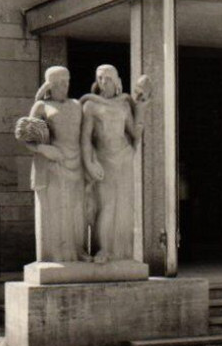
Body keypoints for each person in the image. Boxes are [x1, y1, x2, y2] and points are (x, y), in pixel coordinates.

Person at [16, 66, 88, 263]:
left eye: (67, 82)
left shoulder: (76, 105)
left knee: (76, 210)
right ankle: (57, 254)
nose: (64, 86)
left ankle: (77, 250)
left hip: (76, 162)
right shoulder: (41, 106)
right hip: (53, 164)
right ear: (51, 85)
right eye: (59, 83)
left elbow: (86, 135)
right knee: (57, 209)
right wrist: (43, 149)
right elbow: (25, 134)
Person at [80, 65, 149, 263]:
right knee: (106, 205)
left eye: (108, 78)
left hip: (124, 157)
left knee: (124, 206)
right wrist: (89, 163)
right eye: (100, 78)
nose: (104, 82)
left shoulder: (124, 105)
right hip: (103, 159)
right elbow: (85, 139)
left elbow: (134, 133)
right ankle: (103, 249)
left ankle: (122, 252)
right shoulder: (90, 105)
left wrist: (142, 109)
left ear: (117, 81)